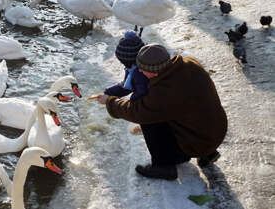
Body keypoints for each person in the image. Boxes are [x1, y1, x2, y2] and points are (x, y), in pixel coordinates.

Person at [92, 44, 227, 180]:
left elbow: (135, 111)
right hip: (216, 133)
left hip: (199, 143)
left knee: (147, 119)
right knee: (183, 111)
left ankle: (164, 167)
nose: (139, 70)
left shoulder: (165, 91)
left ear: (155, 72)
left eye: (142, 69)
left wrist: (110, 101)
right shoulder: (189, 64)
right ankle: (208, 154)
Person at [104, 31, 150, 102]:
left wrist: (130, 102)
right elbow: (127, 86)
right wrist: (109, 93)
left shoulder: (139, 73)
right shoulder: (132, 68)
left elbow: (141, 93)